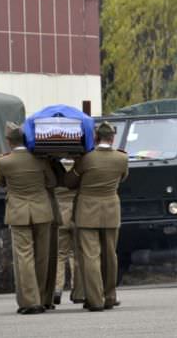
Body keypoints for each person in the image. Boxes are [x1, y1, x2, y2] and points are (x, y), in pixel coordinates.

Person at [0, 122, 58, 315]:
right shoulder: (40, 160)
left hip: (18, 212)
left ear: (8, 141)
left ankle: (31, 301)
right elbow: (52, 182)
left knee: (24, 256)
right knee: (42, 256)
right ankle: (41, 297)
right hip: (42, 211)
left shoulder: (3, 162)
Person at [66, 121, 128, 312]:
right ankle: (110, 296)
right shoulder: (121, 158)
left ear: (96, 137)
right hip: (110, 210)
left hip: (87, 212)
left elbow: (70, 182)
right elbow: (123, 178)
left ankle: (95, 299)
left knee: (91, 255)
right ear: (112, 138)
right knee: (110, 254)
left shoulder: (86, 159)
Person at [53, 185, 84, 305]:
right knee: (76, 254)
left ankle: (57, 289)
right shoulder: (78, 171)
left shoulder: (55, 171)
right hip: (77, 213)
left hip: (60, 213)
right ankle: (77, 291)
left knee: (59, 254)